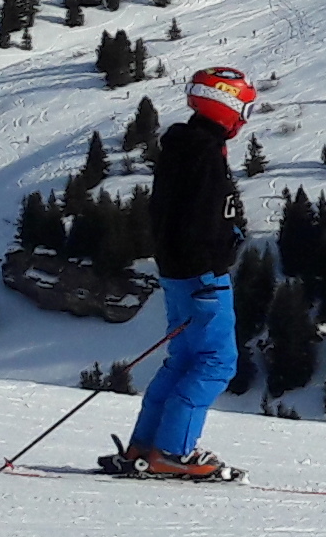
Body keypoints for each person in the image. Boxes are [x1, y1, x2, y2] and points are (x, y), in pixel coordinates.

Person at [107, 65, 256, 480]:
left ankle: (145, 446)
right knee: (216, 362)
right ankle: (173, 452)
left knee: (185, 358)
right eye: (243, 106)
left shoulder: (183, 146)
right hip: (202, 276)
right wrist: (221, 249)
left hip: (177, 273)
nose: (245, 116)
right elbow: (201, 221)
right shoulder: (205, 155)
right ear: (225, 104)